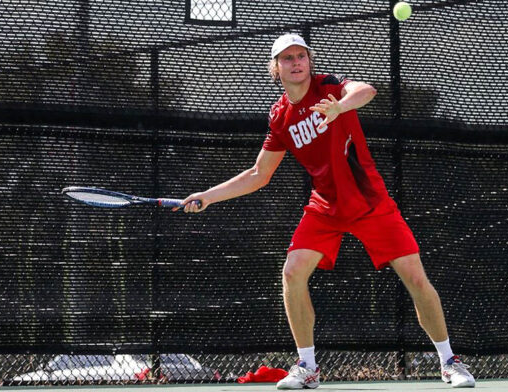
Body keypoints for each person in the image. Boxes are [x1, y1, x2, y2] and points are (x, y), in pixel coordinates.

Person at [175, 33, 476, 389]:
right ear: (276, 68)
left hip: (369, 201)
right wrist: (208, 195)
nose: (296, 62)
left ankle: (449, 362)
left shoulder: (330, 86)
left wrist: (339, 107)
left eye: (301, 55)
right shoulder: (279, 117)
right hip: (326, 207)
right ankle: (307, 367)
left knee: (415, 278)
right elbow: (259, 174)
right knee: (292, 273)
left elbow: (366, 91)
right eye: (287, 58)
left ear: (309, 60)